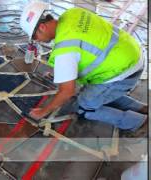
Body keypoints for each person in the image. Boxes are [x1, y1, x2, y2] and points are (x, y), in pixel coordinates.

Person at [20, 1, 147, 135]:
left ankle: (138, 122)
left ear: (42, 27)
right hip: (132, 53)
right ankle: (140, 108)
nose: (37, 41)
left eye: (35, 37)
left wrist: (43, 111)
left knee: (85, 107)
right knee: (94, 92)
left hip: (122, 73)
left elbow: (67, 92)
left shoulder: (65, 51)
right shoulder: (72, 14)